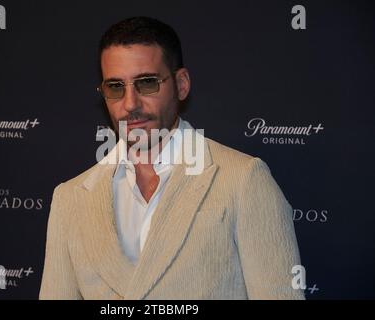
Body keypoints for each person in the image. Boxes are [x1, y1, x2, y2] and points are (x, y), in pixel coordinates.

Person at [39, 16, 304, 300]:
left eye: (147, 83)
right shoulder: (71, 199)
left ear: (181, 84)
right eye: (116, 87)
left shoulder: (243, 181)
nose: (130, 104)